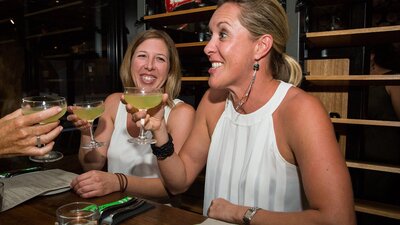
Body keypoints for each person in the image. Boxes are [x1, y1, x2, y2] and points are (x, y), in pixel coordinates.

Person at [131, 0, 356, 224]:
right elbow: (178, 182)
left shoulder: (301, 111)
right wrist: (160, 134)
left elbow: (339, 219)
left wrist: (240, 213)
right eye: (211, 35)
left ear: (260, 46)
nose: (208, 47)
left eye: (223, 34)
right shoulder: (212, 103)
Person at [68, 29, 195, 201]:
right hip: (114, 208)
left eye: (160, 59)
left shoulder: (181, 113)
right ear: (130, 62)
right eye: (142, 56)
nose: (149, 65)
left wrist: (118, 182)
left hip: (158, 214)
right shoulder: (113, 103)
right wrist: (86, 132)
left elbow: (173, 188)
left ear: (170, 70)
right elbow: (92, 164)